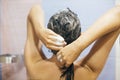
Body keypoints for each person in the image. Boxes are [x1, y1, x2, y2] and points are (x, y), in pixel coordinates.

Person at [24, 5, 120, 80]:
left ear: (48, 35)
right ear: (78, 36)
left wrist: (40, 31)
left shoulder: (34, 68)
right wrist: (79, 45)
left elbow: (35, 9)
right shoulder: (88, 72)